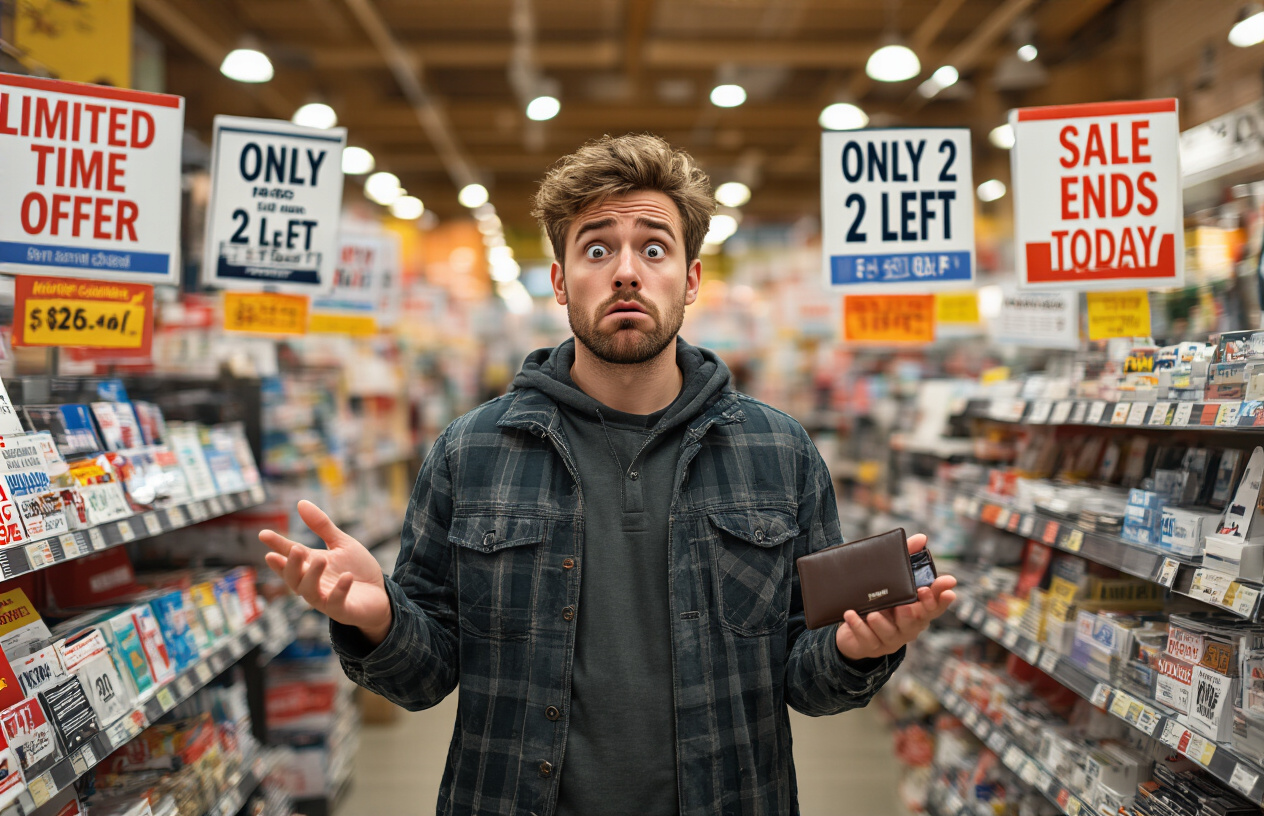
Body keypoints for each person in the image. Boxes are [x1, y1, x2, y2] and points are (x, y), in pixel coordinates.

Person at [259, 133, 957, 816]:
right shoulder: (469, 451)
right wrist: (380, 620)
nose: (627, 271)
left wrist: (858, 651)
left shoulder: (780, 452)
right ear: (561, 281)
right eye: (597, 248)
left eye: (654, 248)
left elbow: (808, 680)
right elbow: (426, 676)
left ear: (689, 280)